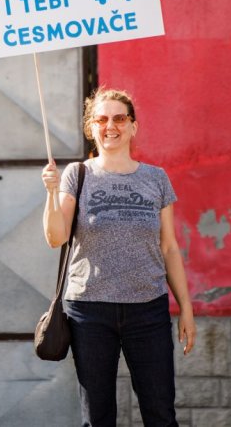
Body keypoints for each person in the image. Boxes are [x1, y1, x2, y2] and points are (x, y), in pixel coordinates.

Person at [41, 87, 196, 427]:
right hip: (89, 311)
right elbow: (56, 237)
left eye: (119, 118)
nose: (110, 126)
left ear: (133, 126)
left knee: (161, 414)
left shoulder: (156, 178)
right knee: (98, 418)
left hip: (148, 309)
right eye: (101, 119)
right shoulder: (77, 175)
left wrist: (186, 306)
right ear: (91, 127)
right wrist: (52, 194)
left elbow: (169, 247)